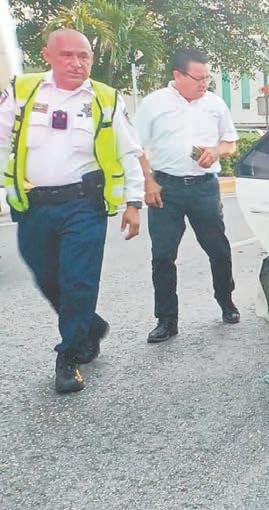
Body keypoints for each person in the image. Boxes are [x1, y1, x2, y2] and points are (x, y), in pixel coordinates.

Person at [0, 29, 150, 393]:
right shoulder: (23, 90)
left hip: (84, 203)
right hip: (34, 204)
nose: (76, 63)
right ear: (47, 55)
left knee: (78, 280)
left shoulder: (105, 98)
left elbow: (128, 151)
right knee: (44, 274)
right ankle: (90, 326)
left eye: (84, 56)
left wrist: (134, 202)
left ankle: (68, 355)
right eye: (67, 55)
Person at [134, 48, 240, 344]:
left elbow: (230, 142)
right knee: (163, 255)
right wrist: (148, 182)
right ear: (177, 75)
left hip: (204, 188)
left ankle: (226, 300)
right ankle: (167, 320)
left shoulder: (215, 104)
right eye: (198, 78)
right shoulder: (154, 103)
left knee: (218, 250)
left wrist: (216, 151)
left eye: (207, 78)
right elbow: (135, 146)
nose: (204, 83)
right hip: (165, 188)